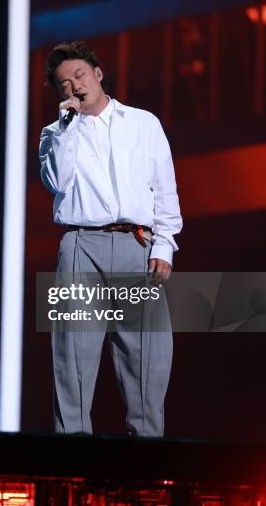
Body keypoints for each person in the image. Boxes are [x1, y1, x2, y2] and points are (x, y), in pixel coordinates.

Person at [39, 40, 182, 436]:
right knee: (73, 358)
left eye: (80, 75)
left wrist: (165, 244)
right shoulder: (54, 134)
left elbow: (164, 189)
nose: (75, 86)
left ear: (98, 73)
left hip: (137, 244)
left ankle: (148, 466)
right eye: (64, 84)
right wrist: (67, 128)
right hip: (81, 247)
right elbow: (56, 181)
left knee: (147, 361)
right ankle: (73, 466)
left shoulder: (143, 123)